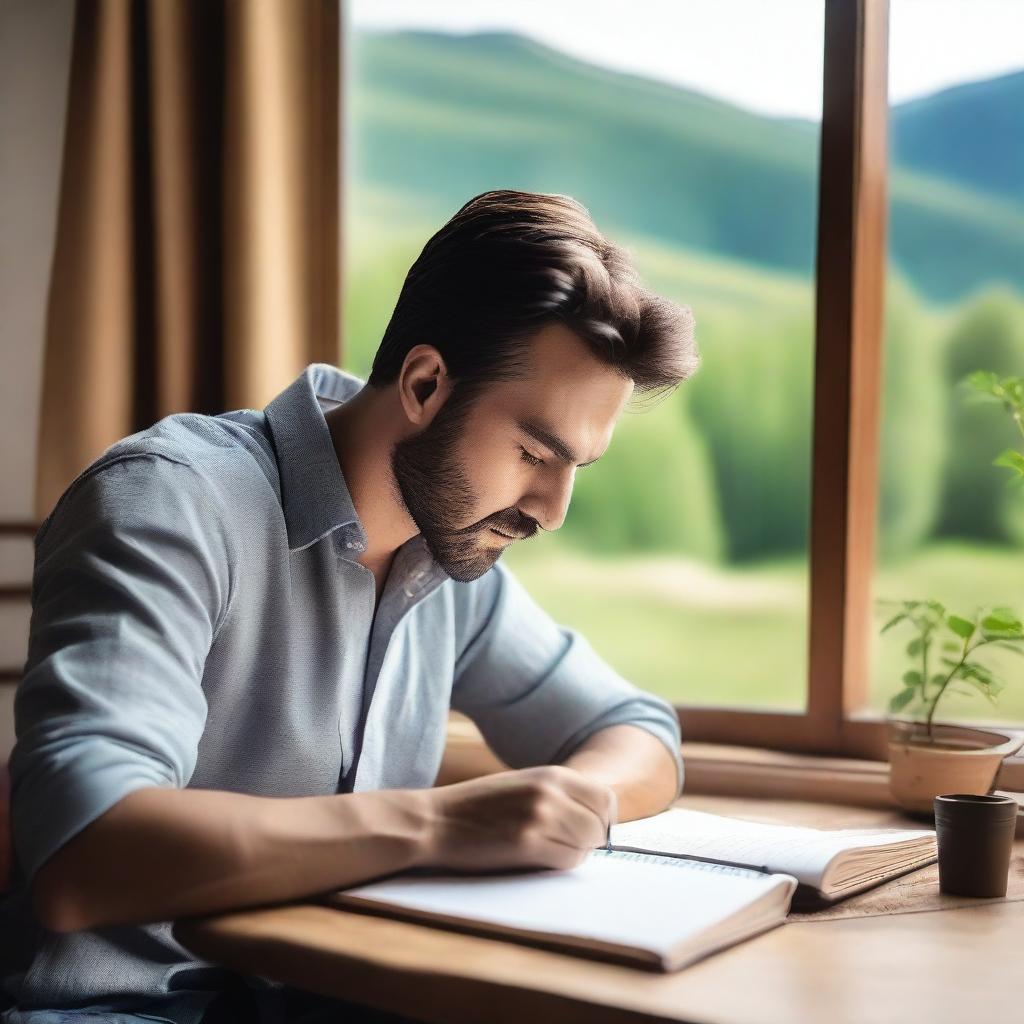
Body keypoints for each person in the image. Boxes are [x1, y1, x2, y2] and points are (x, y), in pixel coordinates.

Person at [0, 190, 698, 1022]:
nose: (552, 509)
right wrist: (436, 828)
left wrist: (565, 807)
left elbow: (636, 730)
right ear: (426, 383)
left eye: (577, 465)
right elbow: (86, 852)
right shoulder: (169, 502)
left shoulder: (450, 560)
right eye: (532, 453)